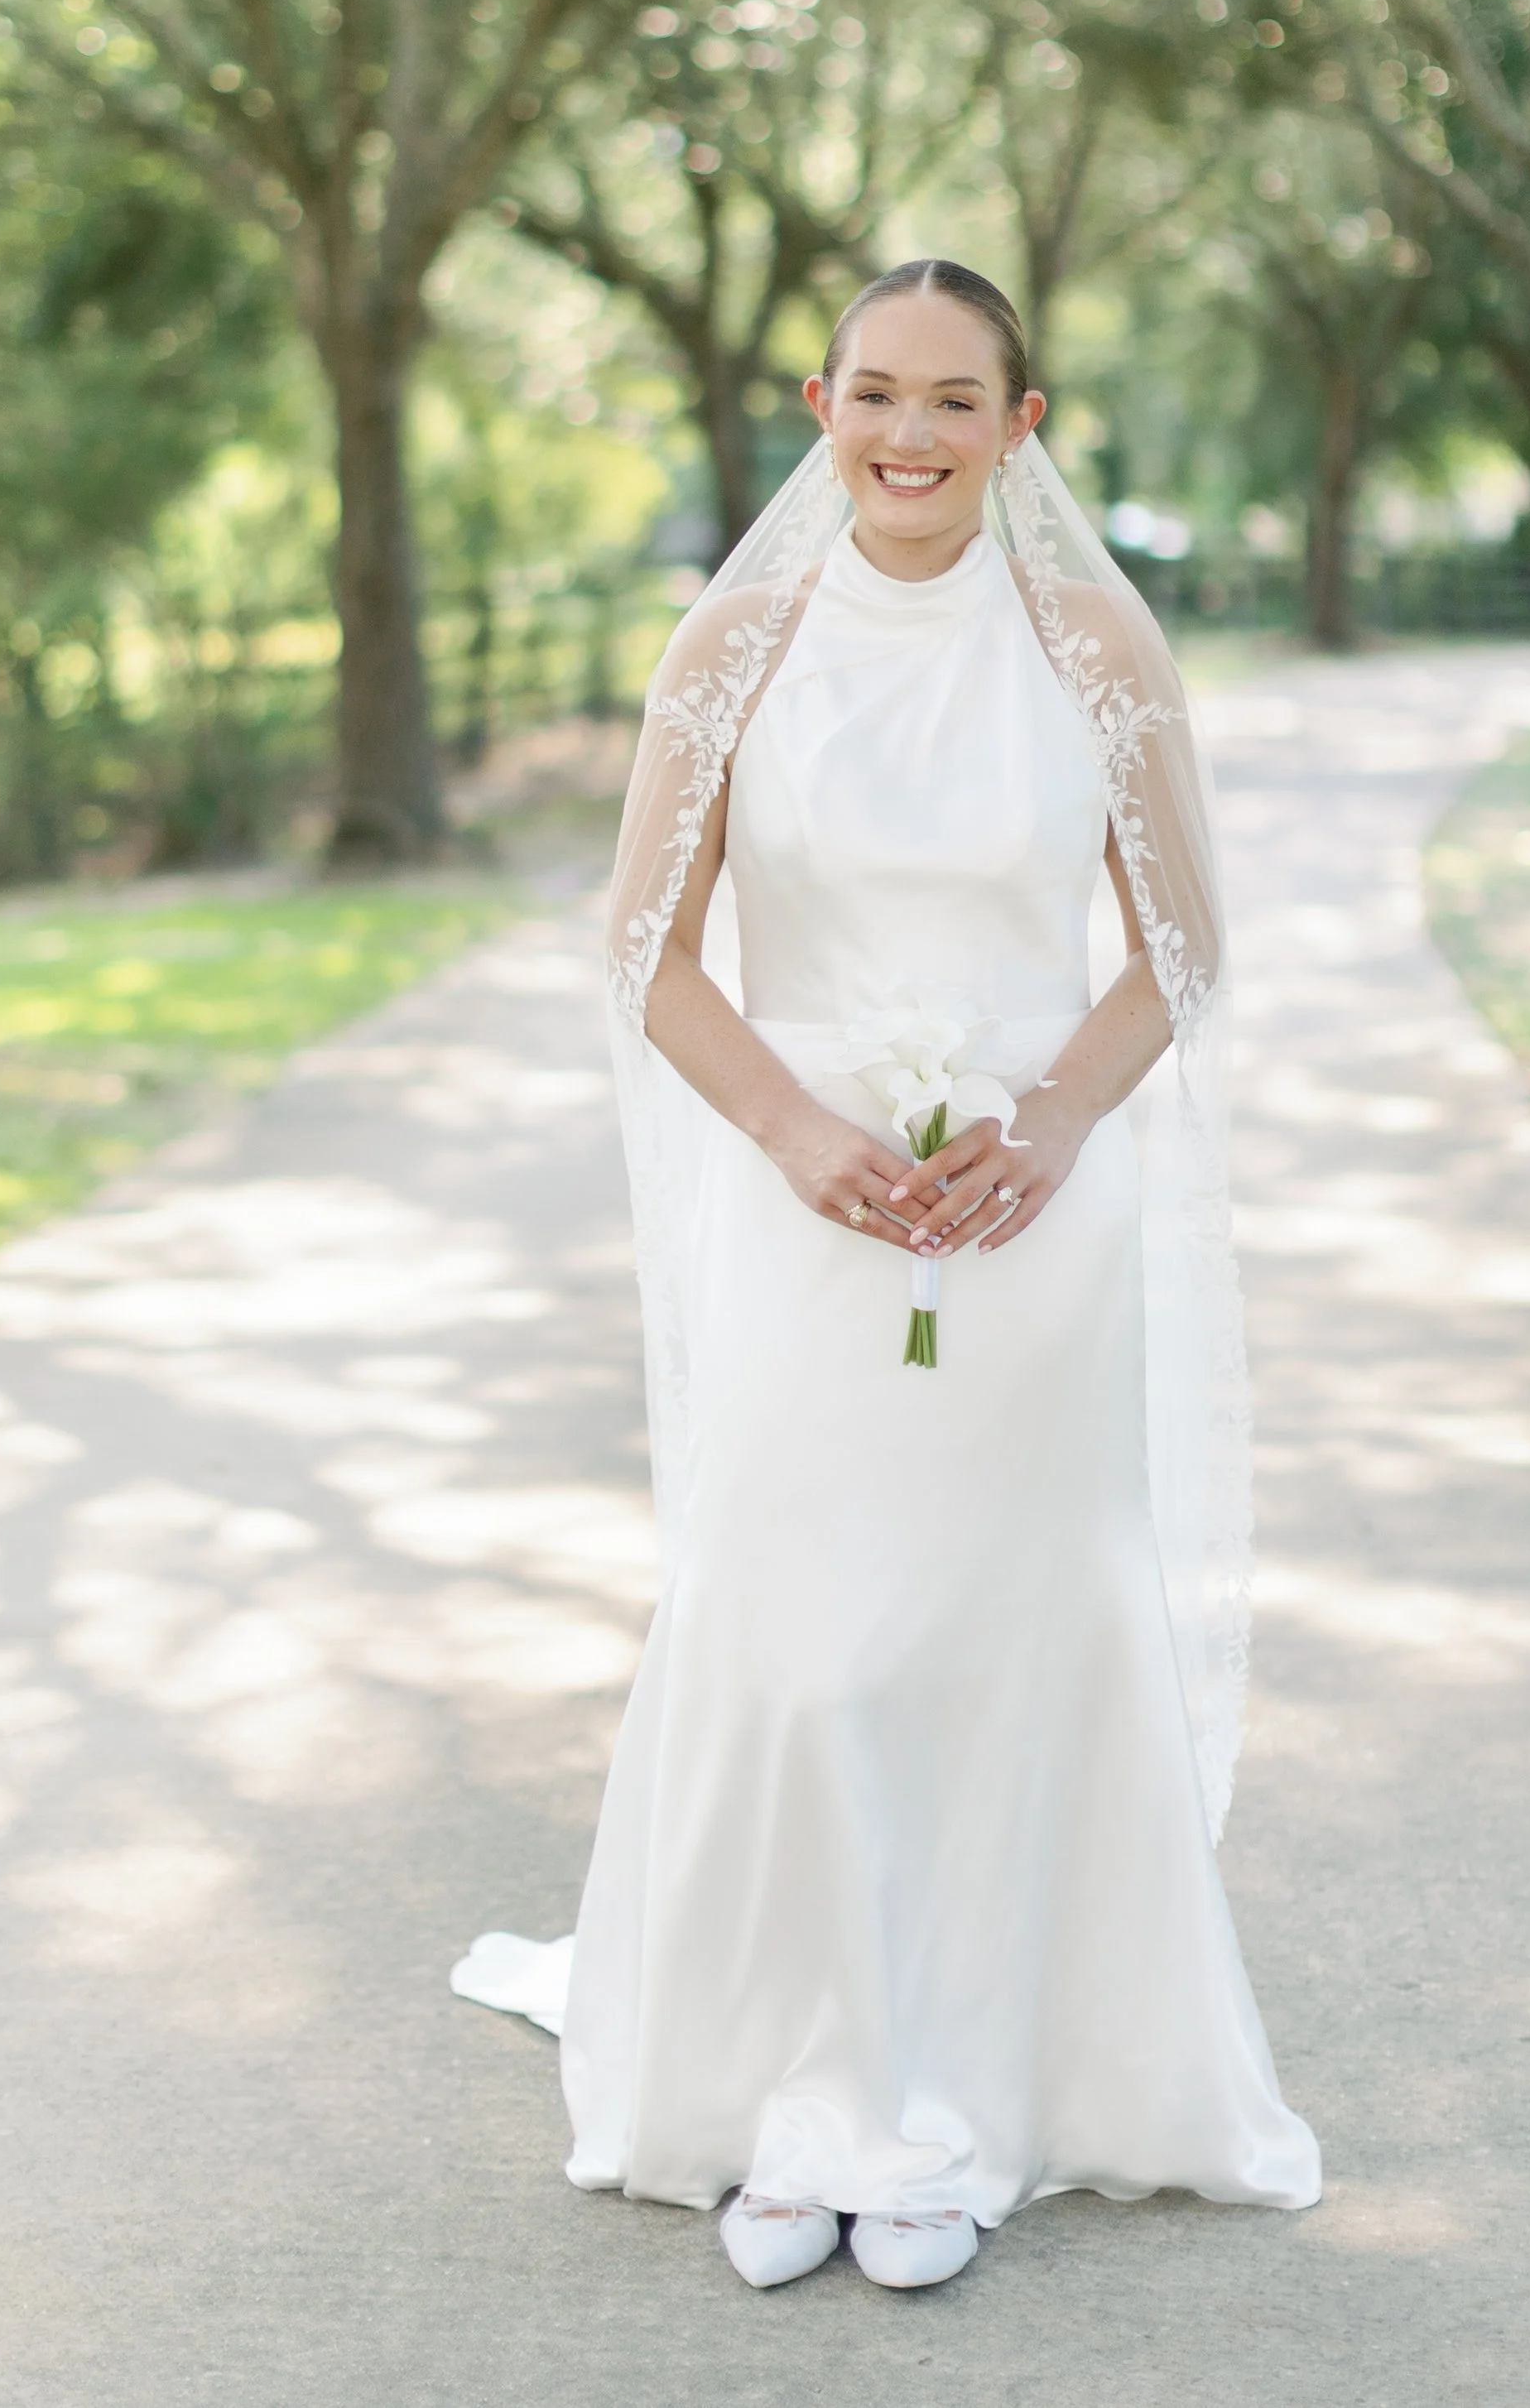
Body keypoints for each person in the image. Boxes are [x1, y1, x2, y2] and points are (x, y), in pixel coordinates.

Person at [453, 258, 1321, 2290]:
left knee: (1001, 1632)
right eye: (872, 395)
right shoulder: (733, 642)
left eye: (954, 401)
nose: (907, 437)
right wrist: (791, 1130)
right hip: (800, 1197)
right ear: (820, 403)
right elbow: (643, 953)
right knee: (807, 1632)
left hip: (1029, 1215)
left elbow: (1180, 949)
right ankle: (799, 2090)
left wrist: (1050, 1125)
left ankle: (961, 2103)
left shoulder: (1093, 639)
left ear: (1024, 424)